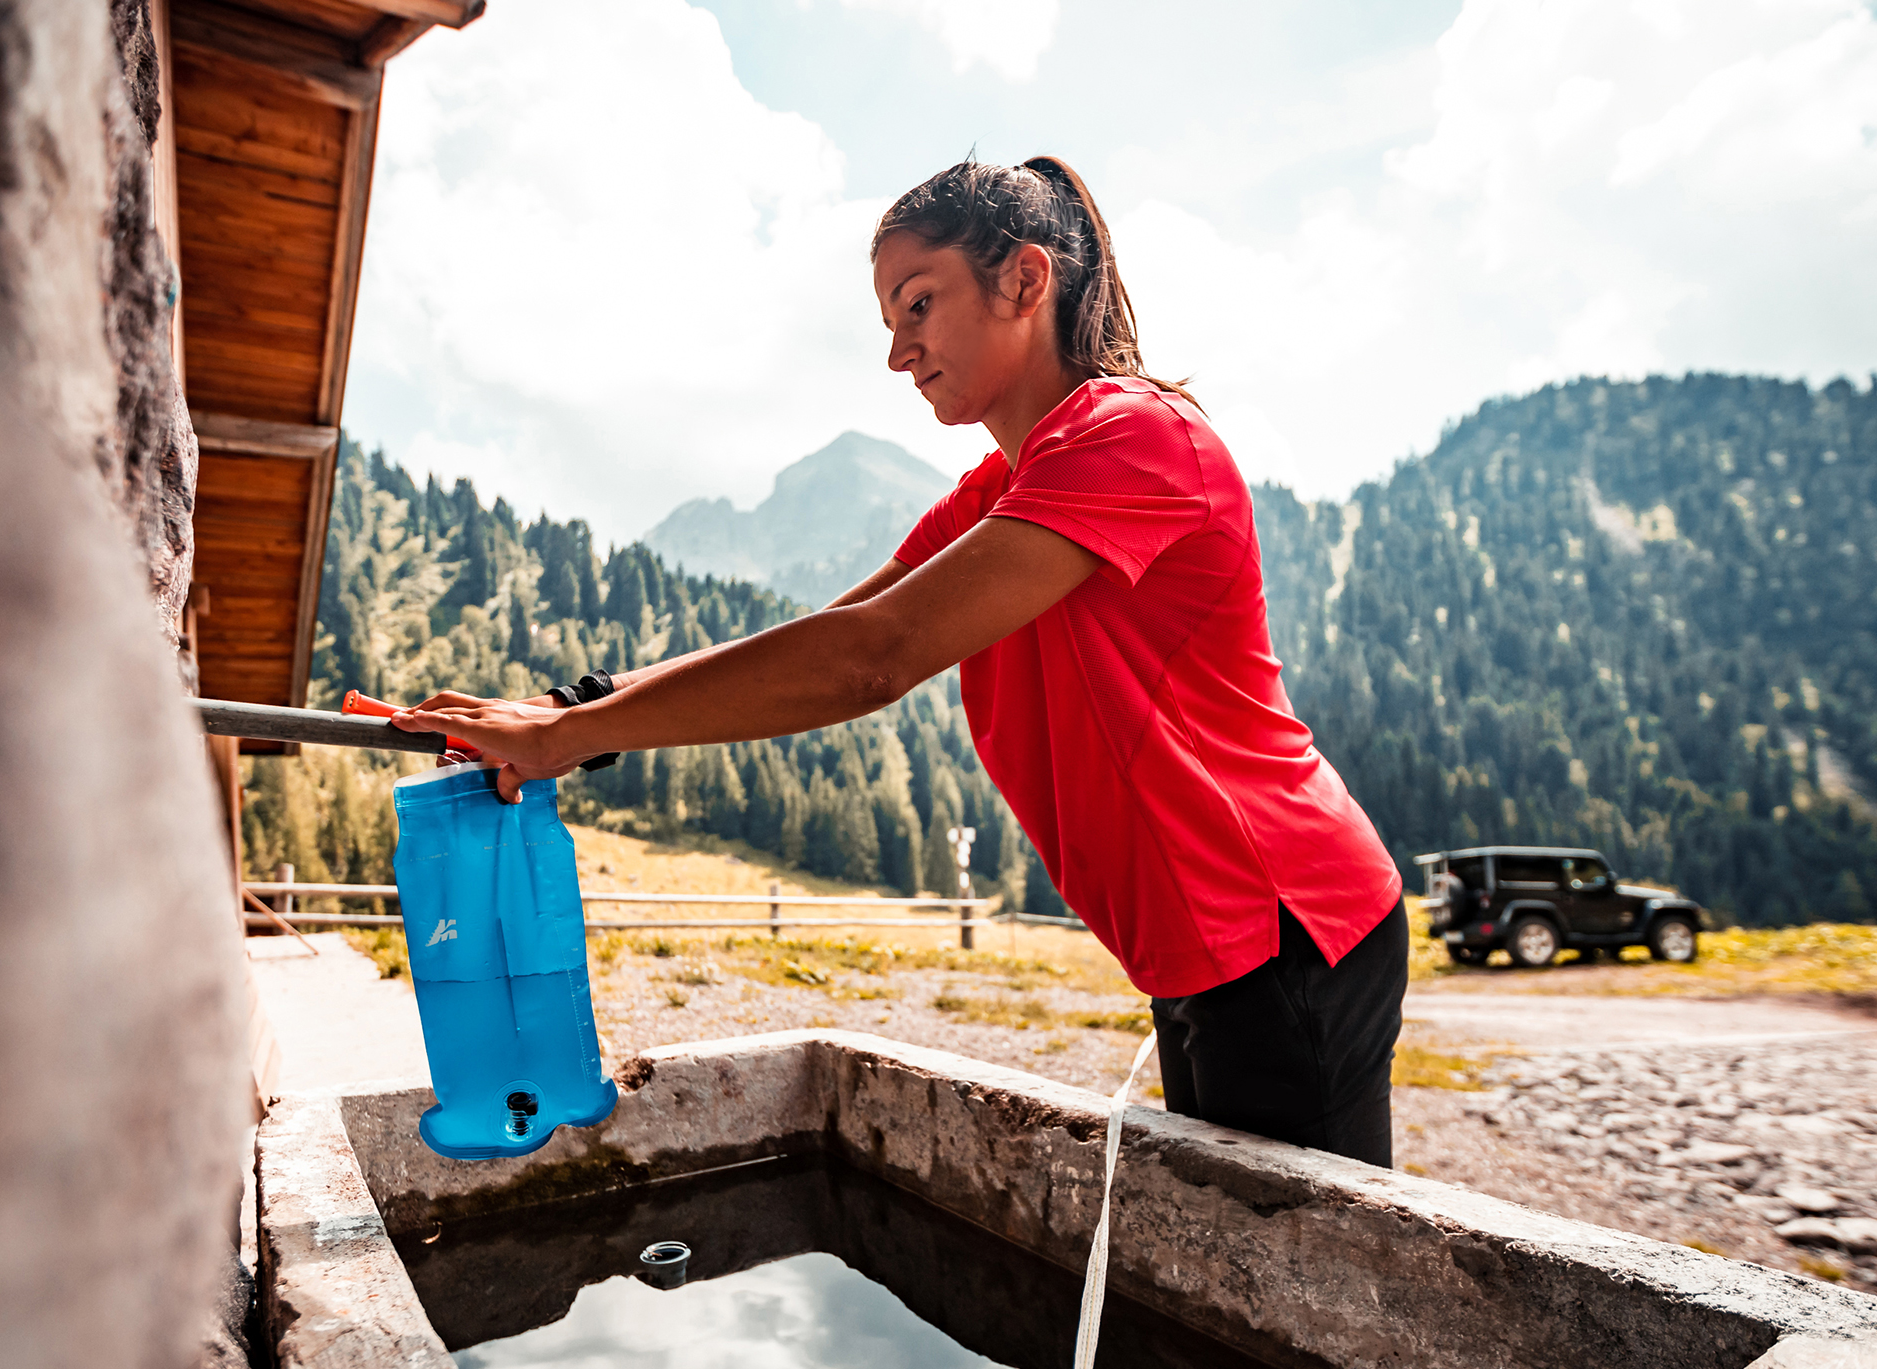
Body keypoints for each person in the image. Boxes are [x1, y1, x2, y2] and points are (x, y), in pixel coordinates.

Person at [390, 156, 1409, 1166]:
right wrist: (569, 709)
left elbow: (872, 661)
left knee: (1309, 1295)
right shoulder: (1005, 485)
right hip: (1208, 942)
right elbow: (833, 628)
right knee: (1231, 1263)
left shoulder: (1132, 438)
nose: (898, 353)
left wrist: (567, 737)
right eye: (888, 321)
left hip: (1287, 923)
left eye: (918, 305)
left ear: (1024, 279)